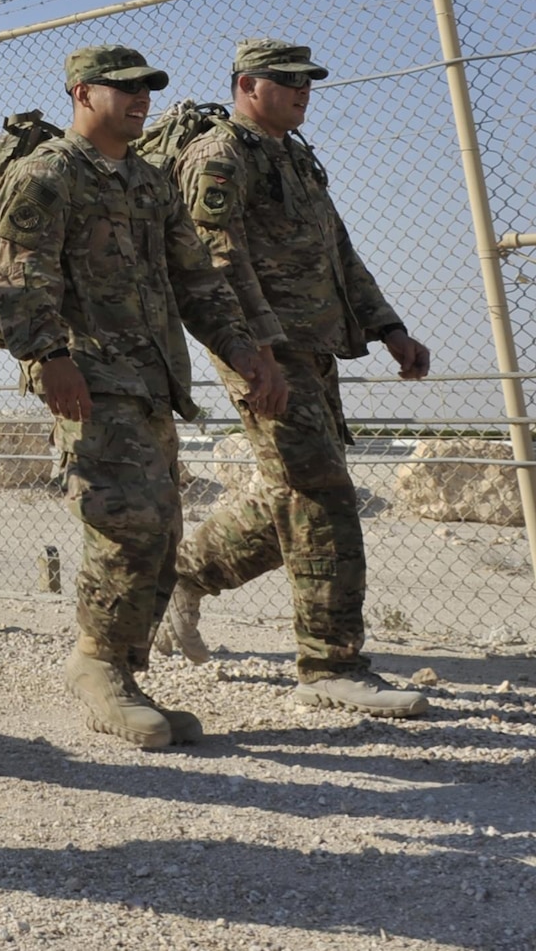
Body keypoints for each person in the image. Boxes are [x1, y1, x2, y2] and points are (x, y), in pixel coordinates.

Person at [0, 45, 281, 748]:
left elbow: (197, 279)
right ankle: (96, 665)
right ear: (82, 93)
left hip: (151, 380)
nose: (141, 98)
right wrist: (47, 356)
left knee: (161, 531)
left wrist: (245, 348)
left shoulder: (149, 183)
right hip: (88, 378)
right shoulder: (46, 175)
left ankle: (123, 668)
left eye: (148, 88)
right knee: (123, 523)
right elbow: (18, 276)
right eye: (124, 89)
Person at [158, 40, 432, 716]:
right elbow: (216, 260)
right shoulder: (220, 155)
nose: (303, 91)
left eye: (308, 80)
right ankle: (330, 662)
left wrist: (389, 328)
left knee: (296, 492)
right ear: (248, 84)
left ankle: (180, 571)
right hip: (264, 351)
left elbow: (340, 252)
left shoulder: (297, 158)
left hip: (314, 347)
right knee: (323, 494)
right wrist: (258, 354)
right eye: (288, 81)